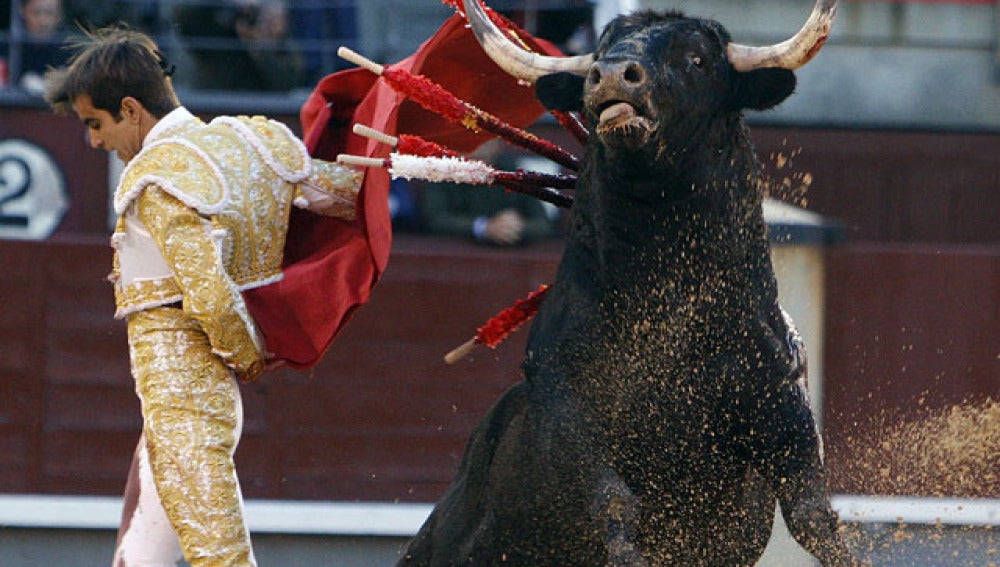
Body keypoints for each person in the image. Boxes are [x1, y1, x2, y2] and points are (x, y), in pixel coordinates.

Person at [44, 27, 361, 566]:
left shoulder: (158, 177)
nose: (95, 142)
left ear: (130, 109)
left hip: (183, 394)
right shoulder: (253, 142)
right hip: (193, 399)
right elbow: (349, 194)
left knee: (220, 554)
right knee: (140, 558)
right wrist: (423, 164)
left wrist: (246, 353)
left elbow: (211, 298)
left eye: (96, 124)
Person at [420, 140, 559, 246]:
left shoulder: (513, 172)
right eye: (470, 142)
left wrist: (516, 228)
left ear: (498, 144)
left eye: (484, 142)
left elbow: (543, 224)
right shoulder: (443, 171)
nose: (477, 150)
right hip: (454, 256)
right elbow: (434, 219)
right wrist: (483, 227)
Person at [173, 0, 304, 92]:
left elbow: (285, 84)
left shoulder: (284, 47)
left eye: (272, 20)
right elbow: (183, 15)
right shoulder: (223, 36)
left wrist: (257, 48)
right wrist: (227, 3)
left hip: (263, 113)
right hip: (220, 106)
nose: (266, 25)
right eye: (264, 19)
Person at [16, 0, 70, 93]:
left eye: (49, 13)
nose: (43, 22)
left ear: (60, 17)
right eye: (36, 13)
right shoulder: (11, 50)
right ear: (23, 12)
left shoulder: (69, 53)